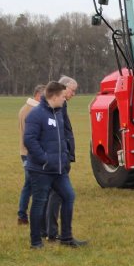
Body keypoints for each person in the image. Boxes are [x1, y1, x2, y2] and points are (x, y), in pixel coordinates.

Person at [24, 81, 87, 249]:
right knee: (39, 202)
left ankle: (66, 237)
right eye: (62, 96)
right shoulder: (36, 115)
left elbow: (63, 136)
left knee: (69, 196)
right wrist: (45, 158)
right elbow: (29, 140)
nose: (64, 99)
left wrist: (65, 157)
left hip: (59, 169)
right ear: (53, 96)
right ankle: (36, 241)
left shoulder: (58, 113)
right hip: (41, 170)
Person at [44, 76, 77, 240]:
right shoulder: (56, 108)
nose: (73, 94)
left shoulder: (61, 106)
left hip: (60, 157)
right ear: (63, 88)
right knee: (59, 195)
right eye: (72, 90)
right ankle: (53, 232)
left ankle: (50, 231)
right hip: (58, 159)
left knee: (55, 194)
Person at [17, 84, 45, 225]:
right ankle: (30, 216)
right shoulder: (34, 111)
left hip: (24, 152)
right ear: (39, 96)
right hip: (31, 153)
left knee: (28, 185)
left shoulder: (23, 108)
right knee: (34, 185)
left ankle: (22, 215)